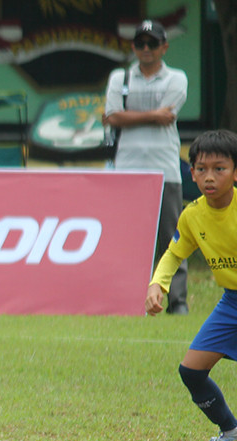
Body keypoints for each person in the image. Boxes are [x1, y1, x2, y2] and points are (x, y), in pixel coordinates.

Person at [145, 129, 237, 441]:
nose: (209, 176)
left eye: (219, 168)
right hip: (231, 302)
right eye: (201, 169)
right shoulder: (192, 215)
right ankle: (231, 432)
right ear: (192, 173)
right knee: (192, 371)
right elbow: (174, 253)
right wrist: (158, 284)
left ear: (235, 172)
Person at [105, 19, 189, 314]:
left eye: (152, 43)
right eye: (140, 43)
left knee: (171, 238)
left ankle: (177, 301)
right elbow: (112, 116)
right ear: (133, 47)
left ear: (164, 47)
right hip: (127, 168)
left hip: (165, 167)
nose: (146, 49)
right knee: (127, 238)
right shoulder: (120, 78)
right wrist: (153, 115)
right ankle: (127, 298)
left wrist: (127, 116)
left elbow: (168, 114)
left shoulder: (176, 78)